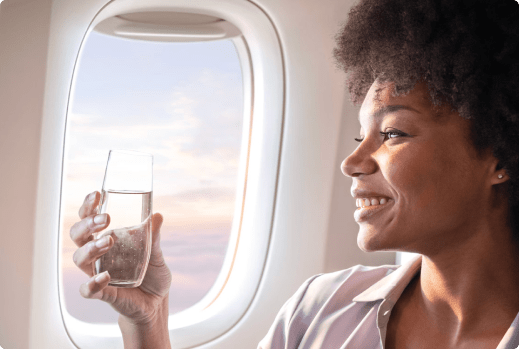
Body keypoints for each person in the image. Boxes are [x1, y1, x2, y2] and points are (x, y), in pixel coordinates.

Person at [70, 0, 519, 347]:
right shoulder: (321, 310)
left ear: (498, 155)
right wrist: (148, 320)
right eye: (358, 136)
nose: (352, 162)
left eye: (393, 133)